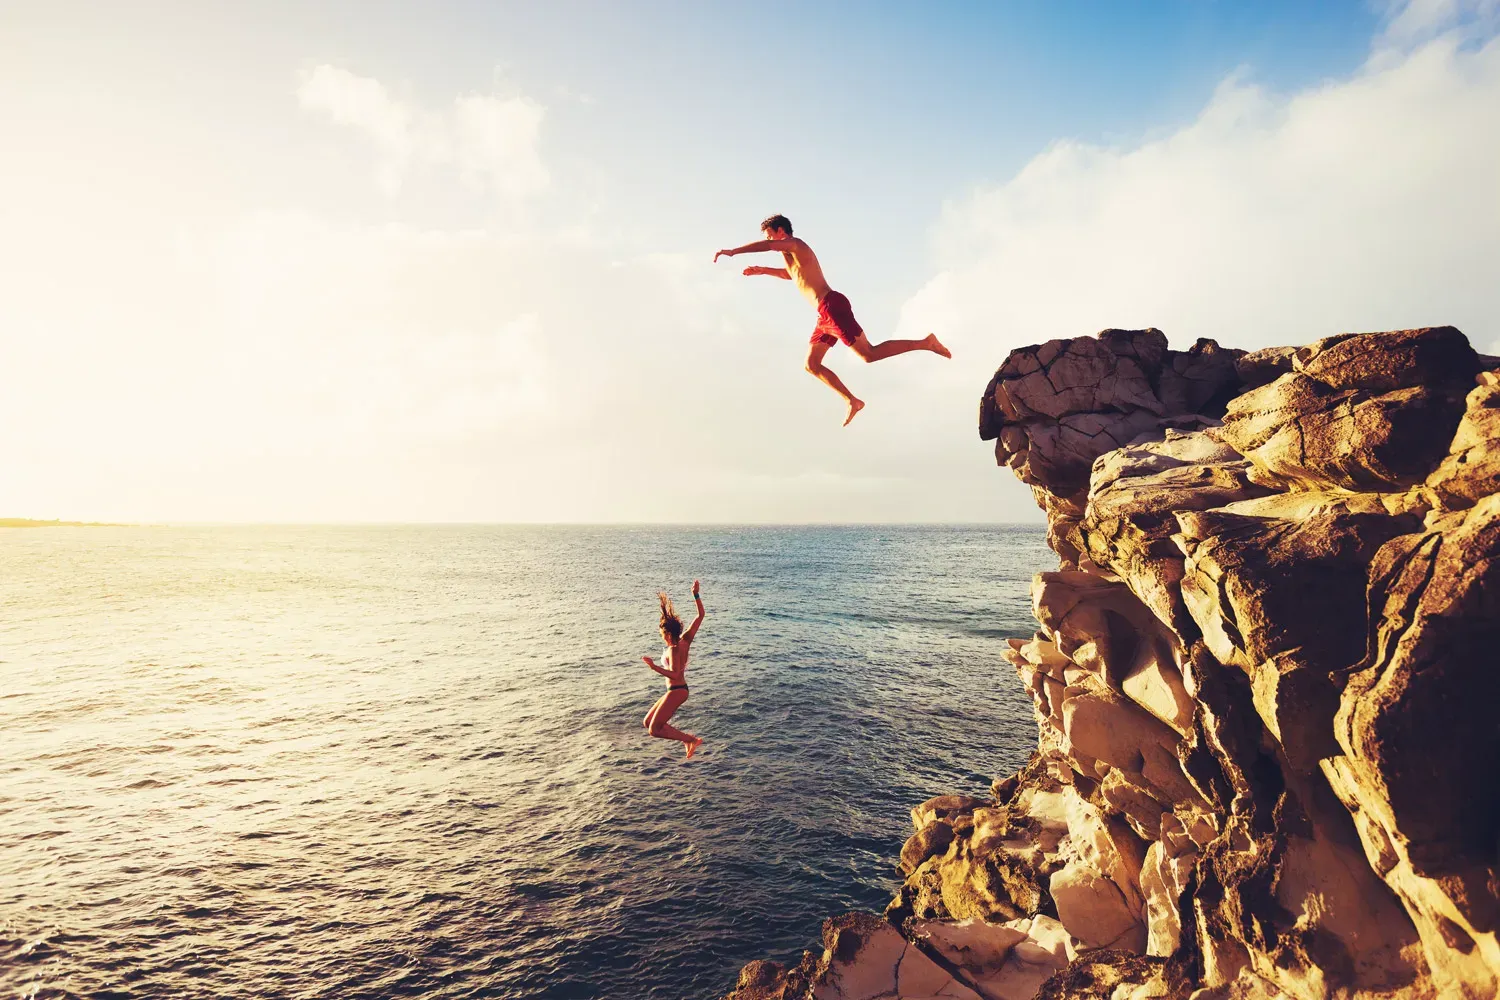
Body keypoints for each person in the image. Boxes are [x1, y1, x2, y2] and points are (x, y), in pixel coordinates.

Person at [714, 214, 950, 425]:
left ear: (781, 232)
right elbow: (793, 275)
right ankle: (853, 401)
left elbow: (767, 246)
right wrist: (764, 271)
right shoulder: (791, 258)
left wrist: (734, 251)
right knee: (811, 364)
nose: (770, 241)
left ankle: (925, 343)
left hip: (832, 306)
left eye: (770, 236)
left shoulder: (796, 245)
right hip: (823, 314)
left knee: (869, 354)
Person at [642, 580, 705, 759]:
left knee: (654, 729)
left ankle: (690, 739)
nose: (661, 637)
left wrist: (654, 667)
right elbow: (700, 616)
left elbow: (676, 674)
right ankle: (687, 739)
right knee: (647, 722)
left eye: (662, 634)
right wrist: (696, 595)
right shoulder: (686, 639)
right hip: (675, 690)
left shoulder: (674, 649)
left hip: (677, 690)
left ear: (668, 634)